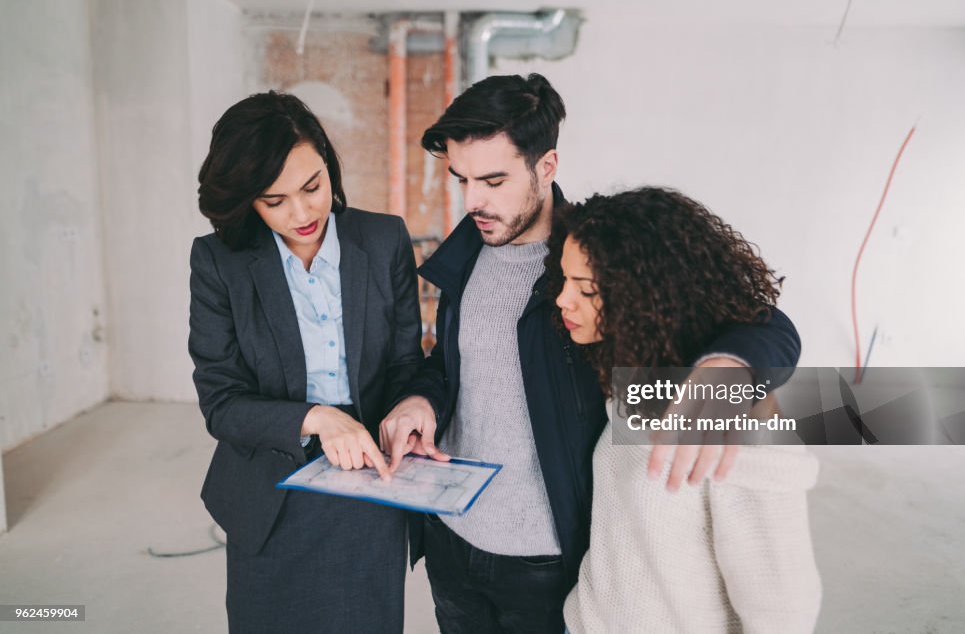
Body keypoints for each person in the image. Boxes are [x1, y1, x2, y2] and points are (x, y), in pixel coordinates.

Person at [378, 73, 803, 633]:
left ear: (546, 166)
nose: (473, 201)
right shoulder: (466, 255)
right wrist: (420, 400)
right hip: (454, 543)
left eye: (494, 179)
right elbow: (456, 365)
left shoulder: (594, 258)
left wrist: (725, 373)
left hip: (551, 560)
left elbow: (767, 326)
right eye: (462, 179)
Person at [188, 91, 421, 633]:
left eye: (313, 186)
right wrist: (315, 416)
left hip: (370, 485)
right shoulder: (219, 261)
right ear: (248, 201)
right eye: (274, 201)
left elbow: (409, 364)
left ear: (329, 168)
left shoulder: (383, 239)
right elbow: (221, 402)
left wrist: (413, 402)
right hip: (269, 493)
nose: (302, 213)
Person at [551, 187, 821, 633]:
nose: (563, 300)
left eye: (586, 289)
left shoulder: (737, 424)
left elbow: (783, 610)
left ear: (648, 295)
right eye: (564, 281)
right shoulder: (631, 378)